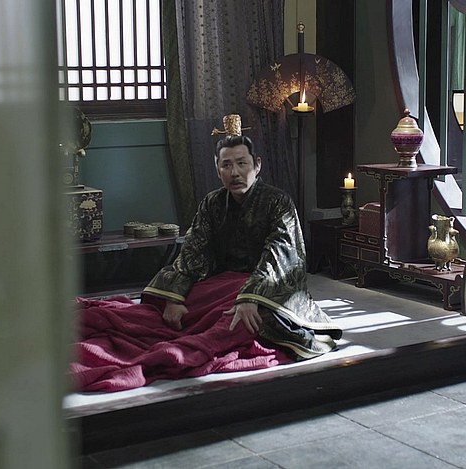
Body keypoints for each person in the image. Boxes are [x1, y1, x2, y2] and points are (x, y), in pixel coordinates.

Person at [143, 114, 342, 360]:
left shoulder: (278, 202)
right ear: (217, 169)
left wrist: (250, 297)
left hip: (268, 287)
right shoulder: (212, 203)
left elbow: (279, 256)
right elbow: (193, 251)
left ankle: (195, 345)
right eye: (226, 165)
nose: (234, 172)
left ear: (257, 165)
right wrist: (176, 297)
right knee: (161, 303)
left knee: (256, 318)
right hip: (224, 284)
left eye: (241, 163)